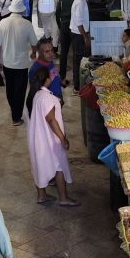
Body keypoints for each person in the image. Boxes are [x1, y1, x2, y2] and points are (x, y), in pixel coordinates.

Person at [27, 63, 78, 206]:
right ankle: (63, 198)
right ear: (47, 80)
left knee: (39, 165)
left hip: (38, 138)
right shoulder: (48, 98)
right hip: (49, 140)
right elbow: (51, 119)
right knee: (59, 166)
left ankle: (41, 196)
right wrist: (62, 138)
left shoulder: (36, 95)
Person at [0, 0, 35, 124]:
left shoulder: (3, 23)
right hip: (22, 64)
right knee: (20, 91)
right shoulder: (27, 24)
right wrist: (33, 53)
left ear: (11, 10)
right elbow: (34, 43)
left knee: (10, 89)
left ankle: (14, 110)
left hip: (7, 63)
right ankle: (16, 117)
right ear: (22, 10)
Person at [56, 0, 83, 82]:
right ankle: (76, 81)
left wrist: (60, 24)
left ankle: (62, 76)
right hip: (75, 28)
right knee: (77, 53)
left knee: (64, 52)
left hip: (64, 25)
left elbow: (58, 9)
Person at [69, 0, 93, 90]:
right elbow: (79, 23)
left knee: (81, 59)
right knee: (78, 60)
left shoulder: (83, 0)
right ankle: (77, 87)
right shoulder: (79, 2)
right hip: (78, 35)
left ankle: (80, 84)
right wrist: (85, 37)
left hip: (80, 33)